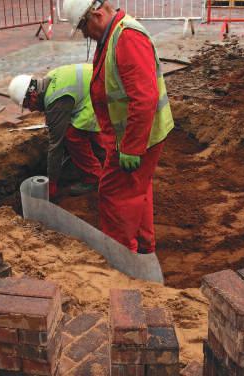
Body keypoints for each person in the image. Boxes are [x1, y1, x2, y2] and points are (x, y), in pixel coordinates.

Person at [63, 0, 175, 254]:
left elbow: (144, 97)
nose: (85, 35)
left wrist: (132, 148)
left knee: (115, 195)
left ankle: (122, 258)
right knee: (137, 188)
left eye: (83, 28)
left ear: (96, 14)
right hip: (135, 134)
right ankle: (145, 248)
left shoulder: (126, 38)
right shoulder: (114, 35)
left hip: (137, 137)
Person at [8, 64, 113, 199]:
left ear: (33, 95)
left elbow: (55, 146)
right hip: (101, 84)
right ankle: (106, 160)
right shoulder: (51, 78)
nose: (32, 110)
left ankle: (92, 178)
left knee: (73, 136)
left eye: (28, 106)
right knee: (82, 128)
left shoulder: (56, 100)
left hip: (101, 94)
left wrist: (52, 182)